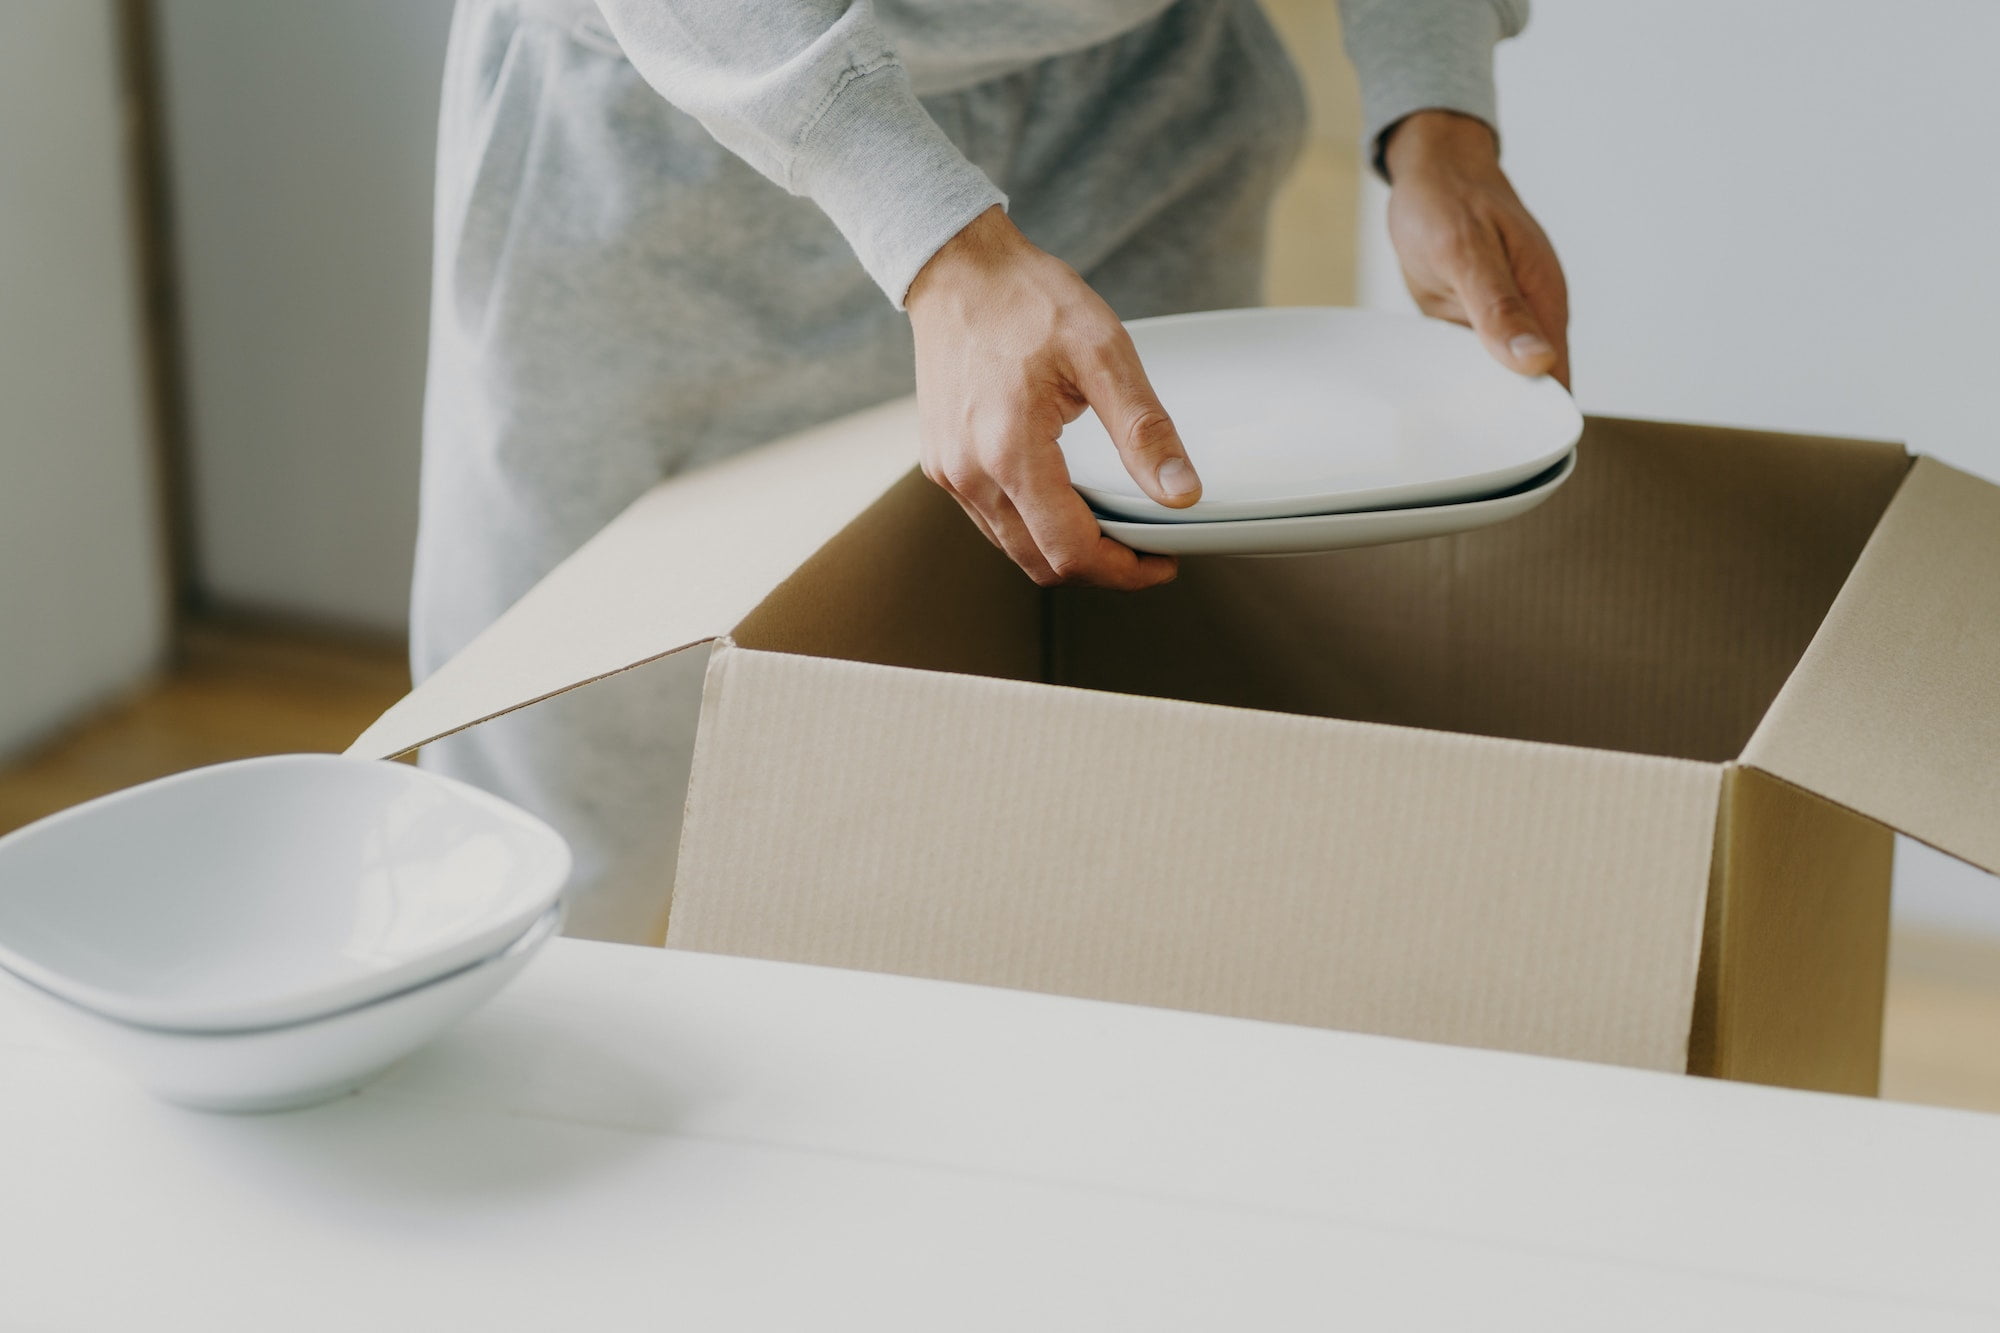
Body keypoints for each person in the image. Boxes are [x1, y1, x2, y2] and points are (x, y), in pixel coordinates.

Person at [413, 0, 1570, 944]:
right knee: (577, 819)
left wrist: (1439, 113)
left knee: (1102, 773)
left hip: (1136, 101)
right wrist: (936, 241)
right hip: (692, 131)